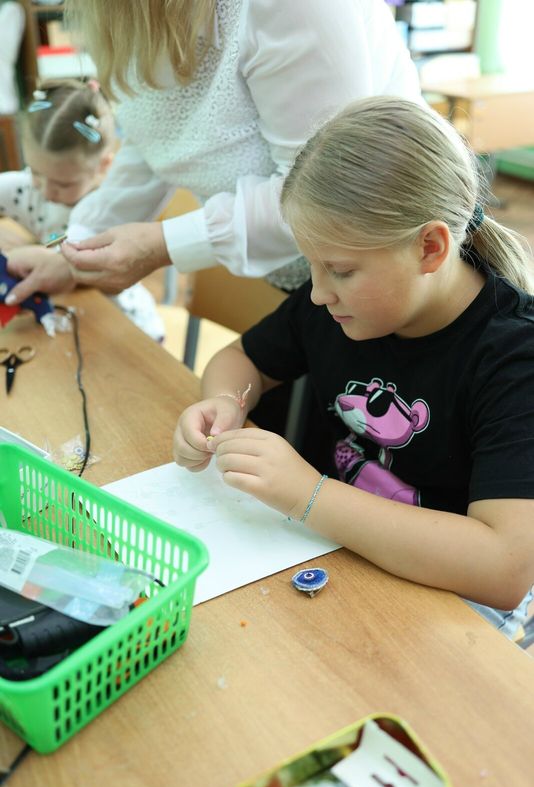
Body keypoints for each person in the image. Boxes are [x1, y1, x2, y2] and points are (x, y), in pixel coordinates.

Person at [173, 96, 534, 638]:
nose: (318, 292)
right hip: (335, 549)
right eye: (312, 265)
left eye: (340, 270)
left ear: (430, 248)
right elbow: (241, 359)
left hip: (454, 604)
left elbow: (503, 568)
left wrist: (309, 494)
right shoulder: (338, 306)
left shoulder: (514, 357)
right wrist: (225, 402)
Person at [4, 0, 421, 305]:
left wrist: (164, 244)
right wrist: (73, 248)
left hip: (383, 279)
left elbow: (328, 190)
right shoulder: (132, 15)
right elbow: (154, 142)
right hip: (305, 286)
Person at [1, 79, 164, 340]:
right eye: (36, 172)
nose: (46, 191)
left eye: (63, 184)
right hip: (61, 322)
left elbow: (109, 280)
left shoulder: (118, 213)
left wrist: (57, 262)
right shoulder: (26, 190)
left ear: (104, 165)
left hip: (126, 327)